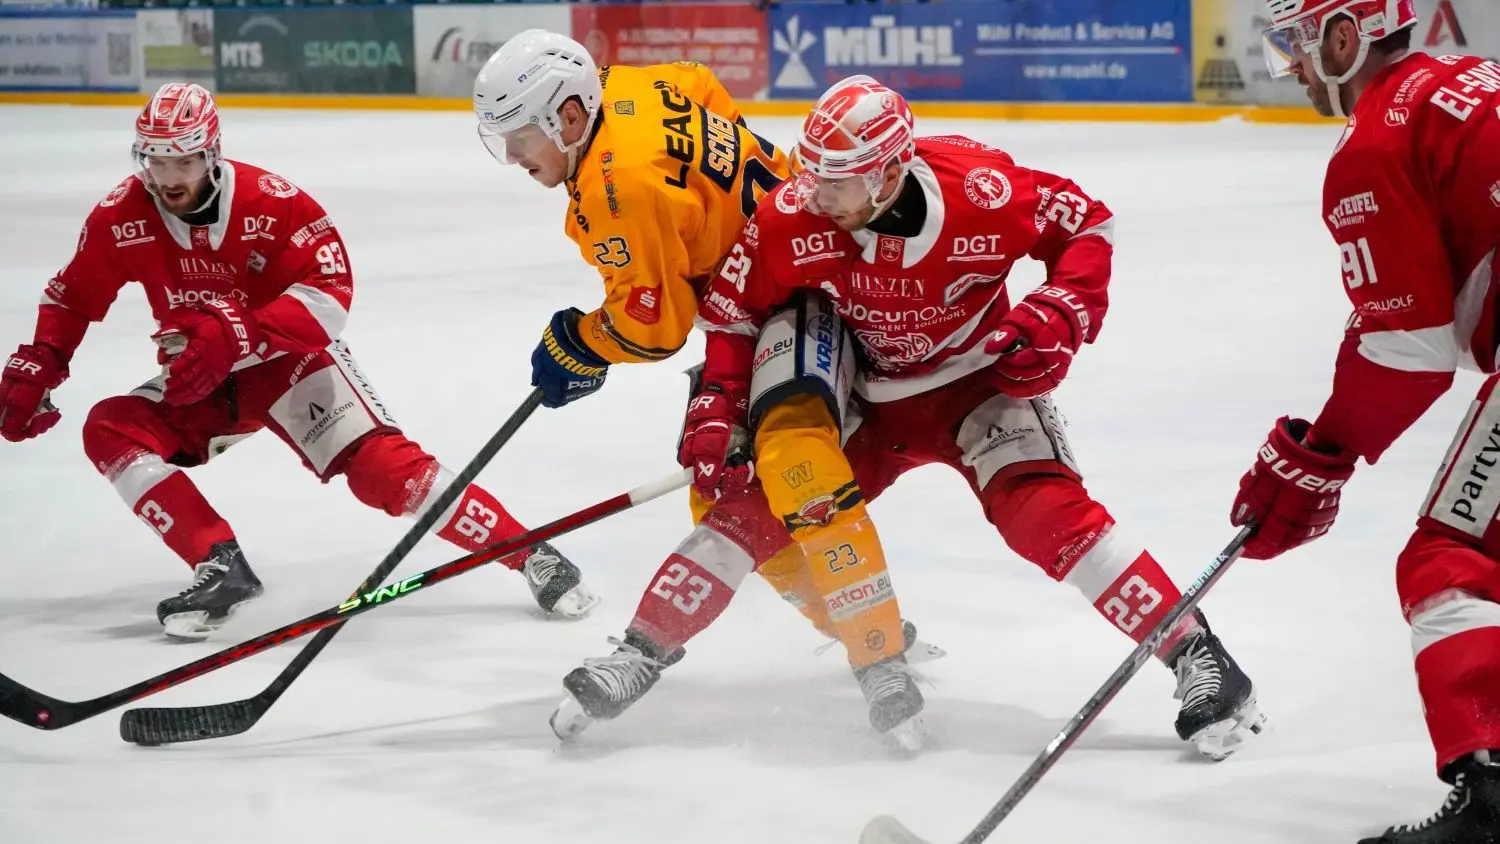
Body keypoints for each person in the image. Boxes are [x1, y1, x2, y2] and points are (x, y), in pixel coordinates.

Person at [555, 74, 1272, 759]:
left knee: (1048, 517)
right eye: (814, 171)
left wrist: (1063, 310)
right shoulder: (793, 217)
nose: (816, 192)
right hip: (870, 398)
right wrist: (717, 403)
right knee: (751, 507)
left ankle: (1198, 655)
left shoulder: (982, 190)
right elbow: (736, 312)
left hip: (979, 388)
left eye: (838, 179)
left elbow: (1088, 223)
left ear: (889, 173)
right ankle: (638, 653)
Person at [471, 32, 940, 745]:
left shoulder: (614, 187)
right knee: (719, 487)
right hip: (782, 273)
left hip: (794, 292)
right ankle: (864, 624)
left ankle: (873, 648)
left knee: (784, 473)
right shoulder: (624, 86)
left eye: (519, 136)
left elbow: (654, 325)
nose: (511, 156)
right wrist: (717, 212)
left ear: (569, 118)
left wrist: (581, 343)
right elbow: (701, 86)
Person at [0, 83, 597, 642]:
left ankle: (532, 552)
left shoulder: (272, 202)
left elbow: (330, 298)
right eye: (154, 161)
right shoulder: (121, 215)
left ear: (211, 155)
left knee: (385, 472)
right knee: (109, 427)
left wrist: (243, 330)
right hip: (201, 381)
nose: (166, 178)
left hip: (288, 364)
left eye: (181, 161)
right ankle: (219, 563)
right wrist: (41, 362)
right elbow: (73, 295)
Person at [1238, 2, 1500, 839]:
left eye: (1299, 46)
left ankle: (1491, 800)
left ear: (1344, 36)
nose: (1298, 70)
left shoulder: (1378, 141)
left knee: (1452, 557)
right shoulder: (1471, 80)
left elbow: (1410, 348)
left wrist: (1321, 453)